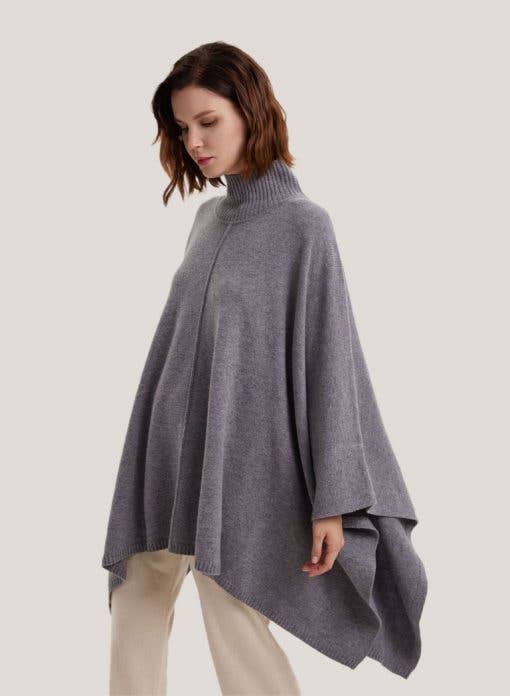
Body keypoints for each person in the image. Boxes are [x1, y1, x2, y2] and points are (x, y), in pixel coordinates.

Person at [102, 41, 427, 695]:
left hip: (245, 467)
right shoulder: (205, 221)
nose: (194, 141)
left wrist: (334, 502)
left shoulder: (304, 227)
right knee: (137, 594)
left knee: (232, 606)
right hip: (166, 456)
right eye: (182, 128)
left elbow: (330, 362)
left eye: (208, 121)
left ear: (250, 111)